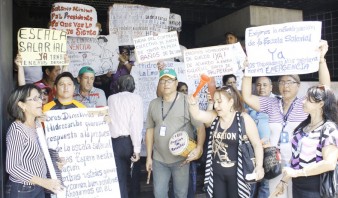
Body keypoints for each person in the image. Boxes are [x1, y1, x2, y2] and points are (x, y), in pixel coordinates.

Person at [241, 40, 331, 197]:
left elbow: (325, 88)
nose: (285, 86)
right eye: (281, 82)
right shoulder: (271, 103)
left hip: (301, 164)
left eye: (290, 82)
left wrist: (321, 60)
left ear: (298, 85)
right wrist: (248, 71)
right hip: (275, 165)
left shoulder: (305, 104)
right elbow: (247, 96)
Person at [188, 85, 264, 198]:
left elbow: (257, 144)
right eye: (215, 102)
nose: (216, 105)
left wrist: (259, 166)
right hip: (217, 174)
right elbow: (197, 115)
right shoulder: (214, 117)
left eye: (219, 102)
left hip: (238, 175)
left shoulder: (243, 119)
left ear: (231, 102)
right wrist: (193, 104)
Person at [146, 68, 205, 198]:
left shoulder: (187, 101)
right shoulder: (153, 104)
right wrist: (149, 157)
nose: (166, 84)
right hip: (159, 159)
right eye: (162, 81)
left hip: (181, 159)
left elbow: (200, 127)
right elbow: (149, 130)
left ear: (176, 83)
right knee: (159, 194)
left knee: (180, 194)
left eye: (169, 80)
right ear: (159, 83)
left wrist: (199, 148)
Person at [272, 85, 338, 197]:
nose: (303, 101)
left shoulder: (328, 128)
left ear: (320, 104)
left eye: (308, 99)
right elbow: (295, 159)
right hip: (298, 185)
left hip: (317, 188)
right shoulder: (303, 127)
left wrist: (298, 173)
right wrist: (283, 181)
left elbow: (329, 163)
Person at [5, 84, 63, 198]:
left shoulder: (36, 124)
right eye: (35, 99)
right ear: (22, 105)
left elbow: (39, 154)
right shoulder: (17, 130)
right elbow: (12, 167)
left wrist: (56, 161)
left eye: (40, 97)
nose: (40, 101)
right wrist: (43, 182)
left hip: (38, 188)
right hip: (22, 190)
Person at [107, 75, 143, 198]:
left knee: (120, 179)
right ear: (133, 86)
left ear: (118, 86)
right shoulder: (136, 99)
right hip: (130, 143)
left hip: (115, 143)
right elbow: (135, 125)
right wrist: (137, 149)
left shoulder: (111, 98)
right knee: (134, 178)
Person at [247, 77, 275, 198]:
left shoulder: (277, 102)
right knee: (252, 181)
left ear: (271, 87)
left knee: (265, 184)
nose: (261, 88)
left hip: (268, 149)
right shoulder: (251, 102)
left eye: (264, 85)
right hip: (252, 149)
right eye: (258, 85)